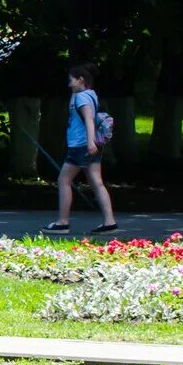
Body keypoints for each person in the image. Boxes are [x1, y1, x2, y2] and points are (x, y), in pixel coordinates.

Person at [48, 61, 117, 235]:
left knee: (63, 180)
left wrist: (90, 142)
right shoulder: (89, 95)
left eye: (71, 80)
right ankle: (110, 222)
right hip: (89, 146)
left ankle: (62, 222)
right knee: (97, 182)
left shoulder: (82, 98)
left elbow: (89, 119)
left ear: (80, 80)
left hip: (81, 145)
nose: (69, 83)